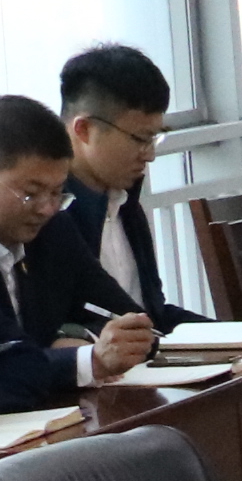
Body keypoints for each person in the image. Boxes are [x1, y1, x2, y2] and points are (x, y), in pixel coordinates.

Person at [0, 93, 154, 404]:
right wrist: (82, 359)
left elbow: (130, 318)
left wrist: (78, 338)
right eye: (31, 193)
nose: (47, 208)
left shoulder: (56, 231)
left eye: (57, 193)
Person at [24, 43, 202, 332]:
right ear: (84, 129)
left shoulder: (124, 201)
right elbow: (54, 330)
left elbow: (152, 314)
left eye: (154, 138)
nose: (149, 155)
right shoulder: (44, 216)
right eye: (140, 139)